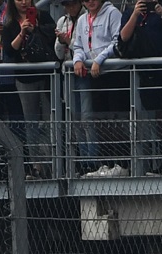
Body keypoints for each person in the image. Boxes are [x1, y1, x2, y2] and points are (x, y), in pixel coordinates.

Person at [117, 0, 162, 176]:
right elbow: (123, 37)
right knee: (153, 122)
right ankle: (158, 163)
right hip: (146, 76)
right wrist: (135, 15)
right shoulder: (130, 12)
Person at [4, 0, 57, 177]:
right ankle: (37, 165)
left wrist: (36, 30)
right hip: (25, 78)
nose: (24, 2)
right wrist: (22, 33)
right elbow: (9, 51)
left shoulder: (44, 16)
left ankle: (55, 163)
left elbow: (53, 39)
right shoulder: (10, 23)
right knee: (30, 123)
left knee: (51, 121)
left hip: (47, 76)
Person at [72, 0, 123, 176]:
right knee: (100, 119)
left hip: (114, 73)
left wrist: (99, 59)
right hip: (95, 75)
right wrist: (77, 60)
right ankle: (106, 163)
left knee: (116, 118)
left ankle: (122, 163)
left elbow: (117, 42)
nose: (90, 2)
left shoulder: (112, 13)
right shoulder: (82, 20)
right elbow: (78, 46)